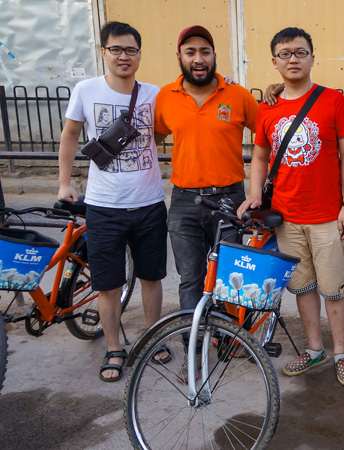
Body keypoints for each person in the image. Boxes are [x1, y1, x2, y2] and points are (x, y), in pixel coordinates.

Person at [237, 27, 344, 386]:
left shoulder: (332, 101)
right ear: (274, 61)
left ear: (312, 57)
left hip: (326, 216)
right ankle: (314, 348)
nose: (293, 59)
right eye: (285, 53)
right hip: (286, 217)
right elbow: (260, 155)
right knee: (302, 288)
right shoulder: (268, 107)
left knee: (333, 288)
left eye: (300, 52)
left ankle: (341, 353)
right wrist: (256, 193)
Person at [57, 22, 168, 382]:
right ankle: (114, 348)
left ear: (139, 54)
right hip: (104, 206)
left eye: (131, 50)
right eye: (116, 49)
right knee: (109, 284)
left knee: (152, 277)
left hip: (149, 202)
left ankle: (152, 337)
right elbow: (70, 137)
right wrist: (64, 183)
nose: (124, 56)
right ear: (103, 51)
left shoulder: (154, 94)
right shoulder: (86, 89)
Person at [154, 25, 259, 313]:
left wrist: (278, 93)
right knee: (190, 278)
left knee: (229, 278)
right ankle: (194, 338)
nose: (198, 59)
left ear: (214, 56)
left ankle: (227, 340)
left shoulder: (238, 96)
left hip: (229, 200)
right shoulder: (166, 97)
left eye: (204, 52)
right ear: (179, 57)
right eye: (190, 52)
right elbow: (152, 138)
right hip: (184, 201)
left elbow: (269, 132)